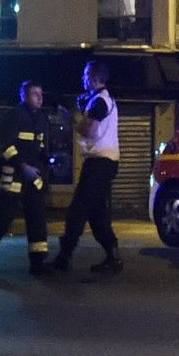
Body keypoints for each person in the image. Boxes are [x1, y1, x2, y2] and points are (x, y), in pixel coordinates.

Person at [0, 80, 53, 276]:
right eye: (35, 94)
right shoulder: (13, 116)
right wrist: (23, 166)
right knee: (4, 219)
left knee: (38, 219)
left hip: (34, 177)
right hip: (13, 177)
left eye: (41, 94)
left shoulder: (42, 119)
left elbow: (42, 148)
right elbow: (6, 147)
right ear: (24, 96)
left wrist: (48, 163)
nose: (40, 98)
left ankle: (37, 264)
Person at [52, 60, 122, 274]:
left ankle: (64, 256)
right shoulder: (100, 100)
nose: (82, 79)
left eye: (85, 75)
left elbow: (90, 130)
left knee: (78, 208)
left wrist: (70, 121)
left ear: (94, 78)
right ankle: (113, 256)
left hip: (100, 162)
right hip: (102, 161)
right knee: (96, 212)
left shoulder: (100, 101)